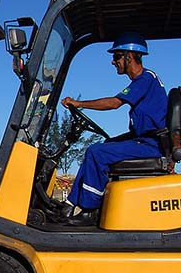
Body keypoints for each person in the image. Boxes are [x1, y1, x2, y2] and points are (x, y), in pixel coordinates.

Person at [57, 32, 167, 226]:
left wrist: (78, 103)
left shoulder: (145, 79)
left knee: (96, 152)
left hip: (151, 144)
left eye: (116, 56)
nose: (113, 62)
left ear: (129, 56)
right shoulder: (144, 81)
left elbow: (114, 103)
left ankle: (89, 210)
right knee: (102, 147)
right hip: (145, 140)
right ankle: (69, 204)